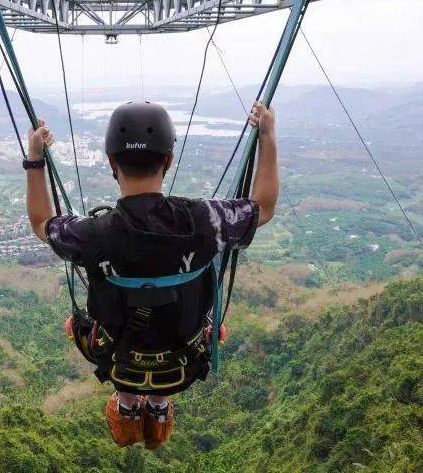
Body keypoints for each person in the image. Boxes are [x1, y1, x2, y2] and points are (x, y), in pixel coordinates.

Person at [23, 101, 279, 450]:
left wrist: (35, 158)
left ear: (112, 163)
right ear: (169, 161)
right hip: (184, 359)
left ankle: (127, 406)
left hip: (115, 357)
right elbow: (262, 206)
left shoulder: (92, 234)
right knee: (196, 329)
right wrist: (267, 135)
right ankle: (158, 409)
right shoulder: (204, 221)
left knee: (79, 325)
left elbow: (41, 222)